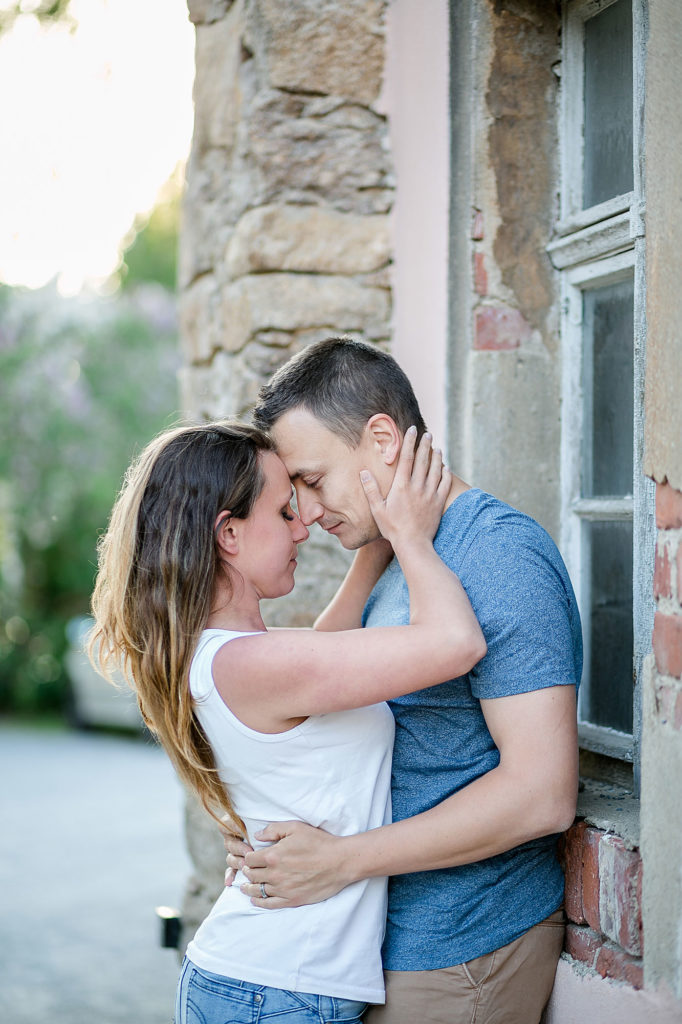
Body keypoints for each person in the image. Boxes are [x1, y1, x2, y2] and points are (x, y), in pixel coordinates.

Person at [223, 336, 583, 1024]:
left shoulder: (499, 554)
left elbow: (542, 795)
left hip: (462, 950)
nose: (302, 511)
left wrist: (341, 860)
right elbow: (312, 697)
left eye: (310, 480)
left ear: (382, 438)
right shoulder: (396, 557)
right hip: (384, 944)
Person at [88, 419, 486, 1024]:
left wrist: (374, 538)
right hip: (277, 992)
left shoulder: (226, 655)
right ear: (229, 534)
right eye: (283, 513)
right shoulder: (250, 664)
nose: (303, 527)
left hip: (263, 983)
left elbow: (327, 652)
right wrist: (412, 538)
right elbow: (456, 642)